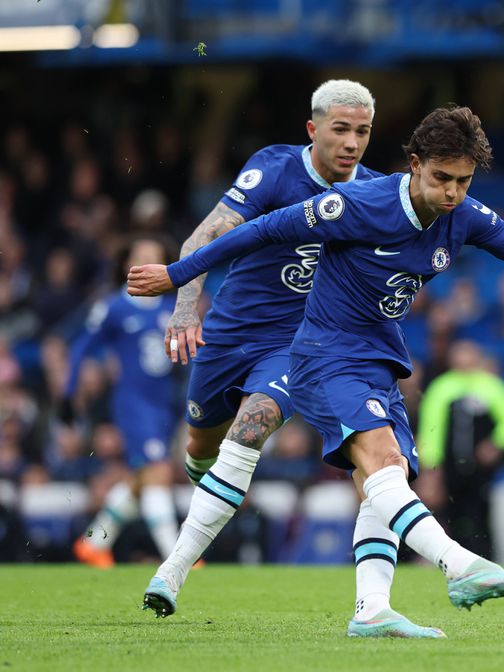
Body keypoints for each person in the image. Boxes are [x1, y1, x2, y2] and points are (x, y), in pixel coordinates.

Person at [128, 105, 504, 635]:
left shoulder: (465, 216)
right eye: (442, 179)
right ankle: (460, 565)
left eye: (463, 181)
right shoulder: (358, 204)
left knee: (385, 480)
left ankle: (372, 609)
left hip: (377, 360)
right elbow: (263, 230)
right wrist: (178, 274)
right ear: (415, 164)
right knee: (381, 459)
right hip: (323, 356)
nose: (453, 193)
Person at [140, 80, 441, 638]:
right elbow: (206, 236)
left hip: (300, 343)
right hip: (230, 335)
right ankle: (212, 494)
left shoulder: (376, 193)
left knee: (253, 424)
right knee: (201, 446)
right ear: (313, 129)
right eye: (340, 129)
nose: (352, 142)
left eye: (362, 132)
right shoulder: (274, 170)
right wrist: (184, 310)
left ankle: (171, 572)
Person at [68, 234, 181, 567]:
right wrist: (69, 392)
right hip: (133, 404)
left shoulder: (173, 307)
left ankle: (93, 543)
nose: (147, 263)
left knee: (140, 481)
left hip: (164, 405)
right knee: (158, 472)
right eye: (140, 256)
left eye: (154, 256)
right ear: (127, 265)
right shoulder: (114, 306)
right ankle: (177, 556)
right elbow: (80, 347)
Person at [417, 340, 504, 558]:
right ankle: (456, 562)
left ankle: (486, 559)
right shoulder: (442, 387)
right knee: (452, 516)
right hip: (450, 467)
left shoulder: (491, 386)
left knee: (482, 516)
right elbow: (431, 429)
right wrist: (431, 465)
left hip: (482, 469)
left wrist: (497, 443)